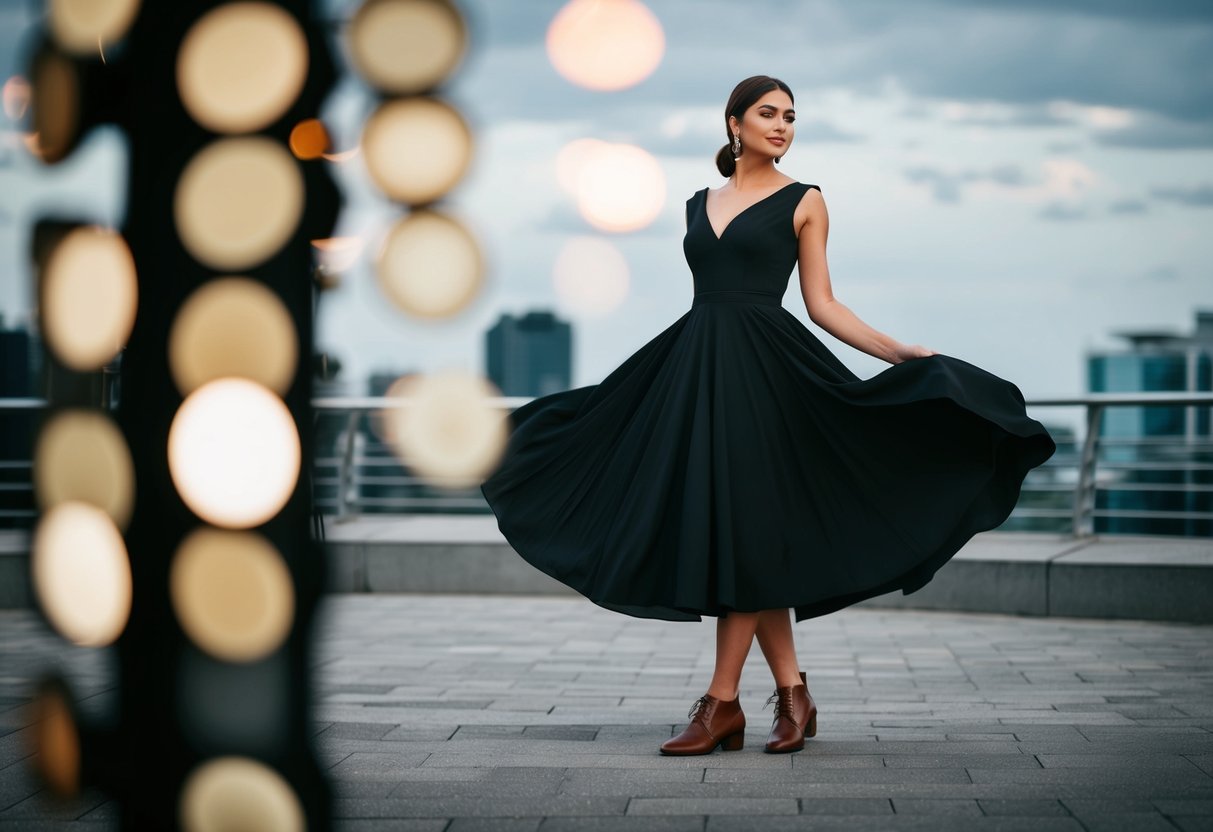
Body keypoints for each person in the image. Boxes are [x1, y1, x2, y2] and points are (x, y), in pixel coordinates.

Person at [479, 75, 1056, 756]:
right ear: (734, 123)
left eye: (789, 116)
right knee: (747, 537)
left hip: (767, 379)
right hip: (695, 370)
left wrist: (897, 350)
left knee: (745, 535)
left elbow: (822, 304)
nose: (781, 125)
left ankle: (720, 704)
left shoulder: (805, 200)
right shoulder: (698, 203)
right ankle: (792, 696)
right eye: (767, 114)